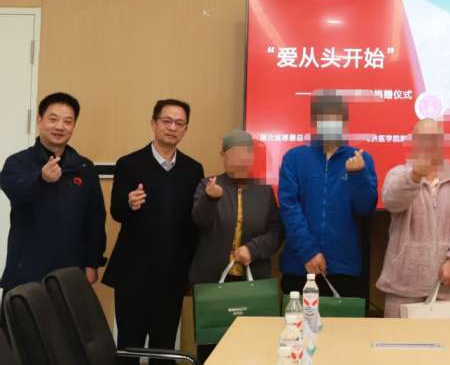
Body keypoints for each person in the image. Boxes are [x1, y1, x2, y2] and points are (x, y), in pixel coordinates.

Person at [102, 99, 204, 364]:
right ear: (153, 123)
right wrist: (129, 204)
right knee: (129, 346)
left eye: (179, 123)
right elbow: (116, 212)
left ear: (185, 129)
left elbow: (194, 224)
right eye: (166, 121)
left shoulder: (193, 169)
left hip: (172, 275)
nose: (172, 127)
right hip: (133, 274)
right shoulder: (129, 164)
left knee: (164, 347)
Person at [190, 129, 284, 362]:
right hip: (214, 282)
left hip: (252, 283)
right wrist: (211, 198)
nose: (242, 157)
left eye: (246, 152)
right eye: (235, 152)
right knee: (213, 348)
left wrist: (253, 249)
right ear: (223, 155)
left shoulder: (264, 191)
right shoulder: (207, 184)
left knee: (252, 348)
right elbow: (200, 221)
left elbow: (276, 231)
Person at [0, 92, 106, 293]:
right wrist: (41, 179)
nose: (60, 127)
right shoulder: (18, 162)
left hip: (70, 269)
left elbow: (95, 219)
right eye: (53, 119)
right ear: (39, 120)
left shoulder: (84, 167)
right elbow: (14, 190)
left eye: (67, 121)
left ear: (74, 126)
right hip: (26, 269)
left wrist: (92, 263)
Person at [376, 118, 450, 317]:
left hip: (448, 289)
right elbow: (392, 201)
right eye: (423, 138)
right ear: (414, 141)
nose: (429, 144)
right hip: (403, 289)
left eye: (435, 138)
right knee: (398, 338)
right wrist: (414, 177)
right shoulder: (398, 175)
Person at [278, 92, 377, 298]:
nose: (331, 123)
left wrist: (358, 175)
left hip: (344, 268)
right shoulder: (294, 158)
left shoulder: (361, 158)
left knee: (342, 320)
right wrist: (308, 251)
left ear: (344, 123)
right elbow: (289, 208)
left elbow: (365, 209)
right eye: (325, 118)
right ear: (315, 122)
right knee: (297, 319)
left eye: (336, 118)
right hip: (300, 265)